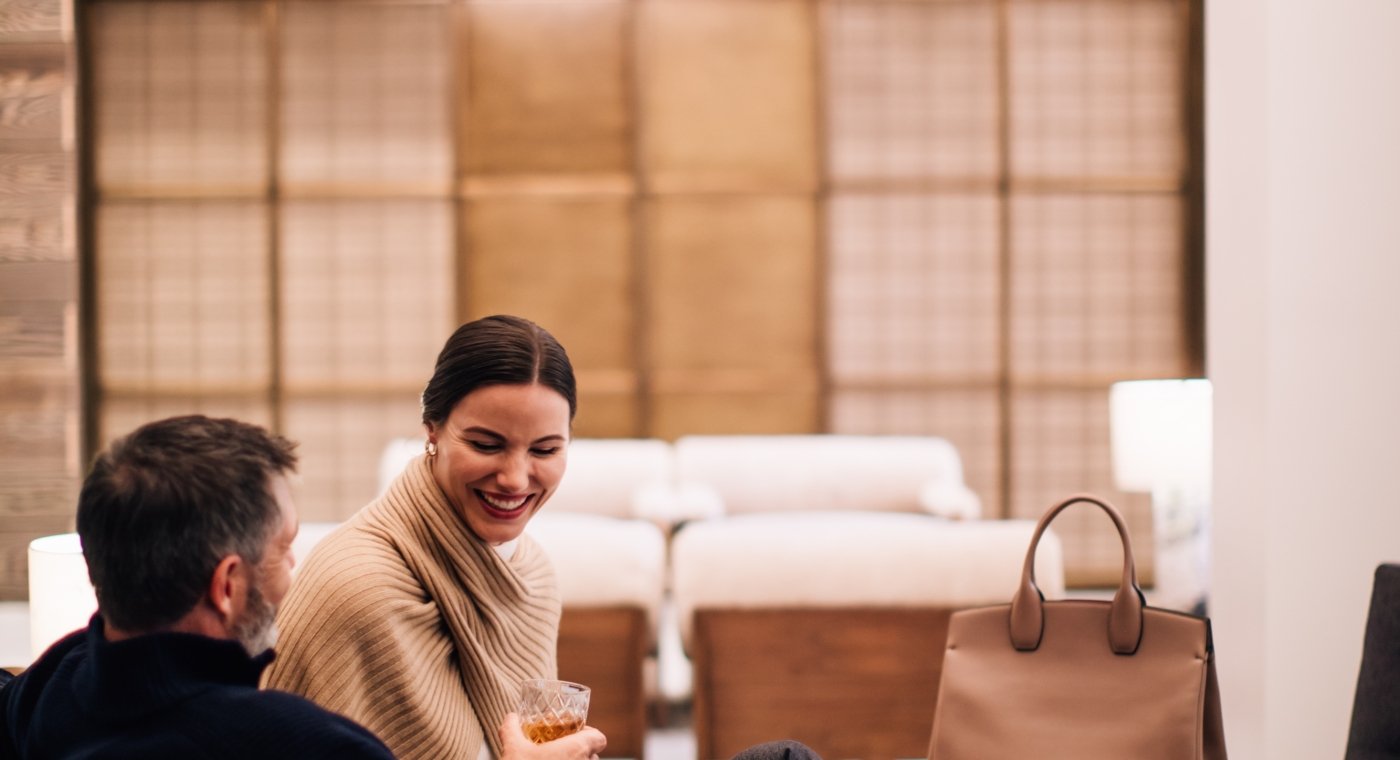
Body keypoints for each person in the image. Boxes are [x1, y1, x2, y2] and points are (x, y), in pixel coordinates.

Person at [263, 315, 608, 760]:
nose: (515, 478)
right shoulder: (352, 587)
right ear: (433, 429)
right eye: (486, 445)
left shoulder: (531, 571)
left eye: (545, 450)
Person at [0, 415, 394, 759]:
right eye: (285, 546)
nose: (293, 563)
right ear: (225, 586)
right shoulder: (313, 746)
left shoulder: (52, 686)